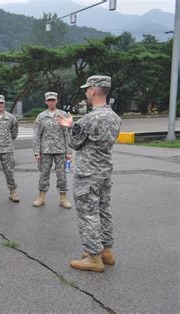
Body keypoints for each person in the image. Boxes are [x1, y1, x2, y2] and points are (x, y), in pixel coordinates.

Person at [58, 75, 121, 272]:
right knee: (103, 210)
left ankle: (94, 257)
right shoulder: (114, 117)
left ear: (94, 90)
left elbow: (75, 143)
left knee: (88, 214)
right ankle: (106, 251)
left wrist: (69, 127)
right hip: (104, 172)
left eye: (87, 89)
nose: (86, 92)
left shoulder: (88, 119)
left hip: (87, 174)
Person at [32, 92, 72, 209]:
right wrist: (36, 152)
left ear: (57, 101)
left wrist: (69, 152)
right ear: (46, 102)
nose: (51, 102)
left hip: (60, 150)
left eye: (53, 100)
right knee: (44, 174)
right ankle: (41, 197)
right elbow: (37, 135)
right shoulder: (41, 116)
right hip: (45, 151)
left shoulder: (63, 115)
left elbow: (67, 135)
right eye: (49, 100)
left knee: (62, 175)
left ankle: (63, 198)